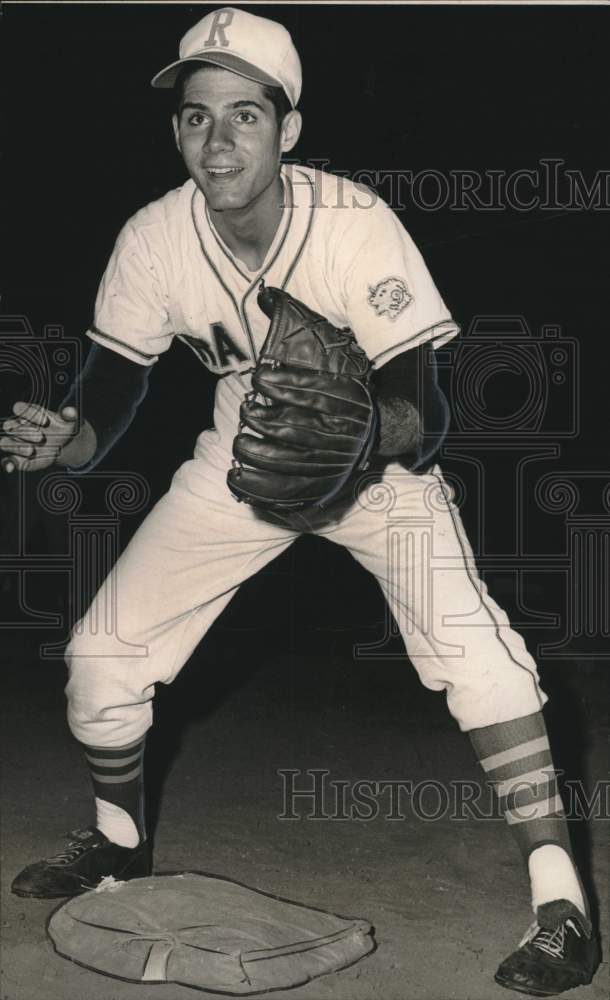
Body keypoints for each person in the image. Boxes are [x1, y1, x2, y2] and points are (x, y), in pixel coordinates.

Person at [1, 8, 599, 995]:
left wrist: (365, 432)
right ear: (176, 131)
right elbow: (112, 385)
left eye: (246, 114)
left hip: (374, 473)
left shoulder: (356, 224)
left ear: (289, 130)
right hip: (242, 471)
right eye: (197, 116)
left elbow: (423, 401)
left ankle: (560, 905)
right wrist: (70, 437)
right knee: (100, 664)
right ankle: (117, 842)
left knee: (484, 664)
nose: (219, 137)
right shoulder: (154, 237)